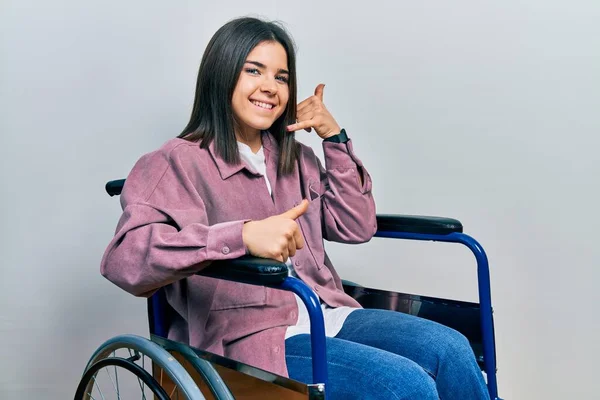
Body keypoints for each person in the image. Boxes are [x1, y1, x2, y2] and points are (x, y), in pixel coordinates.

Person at [101, 16, 490, 399]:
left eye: (281, 77)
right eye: (254, 71)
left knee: (451, 350)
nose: (270, 87)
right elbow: (124, 262)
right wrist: (242, 236)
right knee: (403, 384)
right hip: (247, 336)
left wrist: (333, 139)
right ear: (222, 75)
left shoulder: (296, 158)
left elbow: (357, 227)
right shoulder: (175, 162)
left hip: (326, 312)